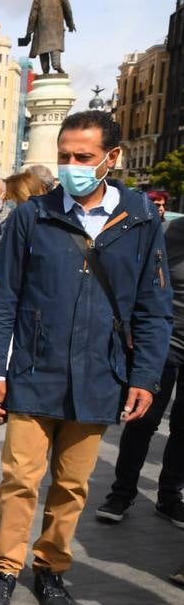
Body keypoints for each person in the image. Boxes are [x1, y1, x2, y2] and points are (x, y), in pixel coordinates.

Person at [0, 110, 172, 605]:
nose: (71, 166)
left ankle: (52, 569)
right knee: (20, 477)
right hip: (33, 373)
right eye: (64, 156)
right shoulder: (31, 216)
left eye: (82, 157)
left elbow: (153, 308)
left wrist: (144, 377)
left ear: (113, 158)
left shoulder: (140, 219)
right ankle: (4, 567)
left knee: (71, 485)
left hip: (100, 376)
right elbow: (3, 300)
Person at [96, 206, 182, 526]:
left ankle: (170, 496)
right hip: (165, 343)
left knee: (183, 427)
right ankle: (122, 493)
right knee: (143, 420)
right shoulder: (170, 234)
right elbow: (142, 285)